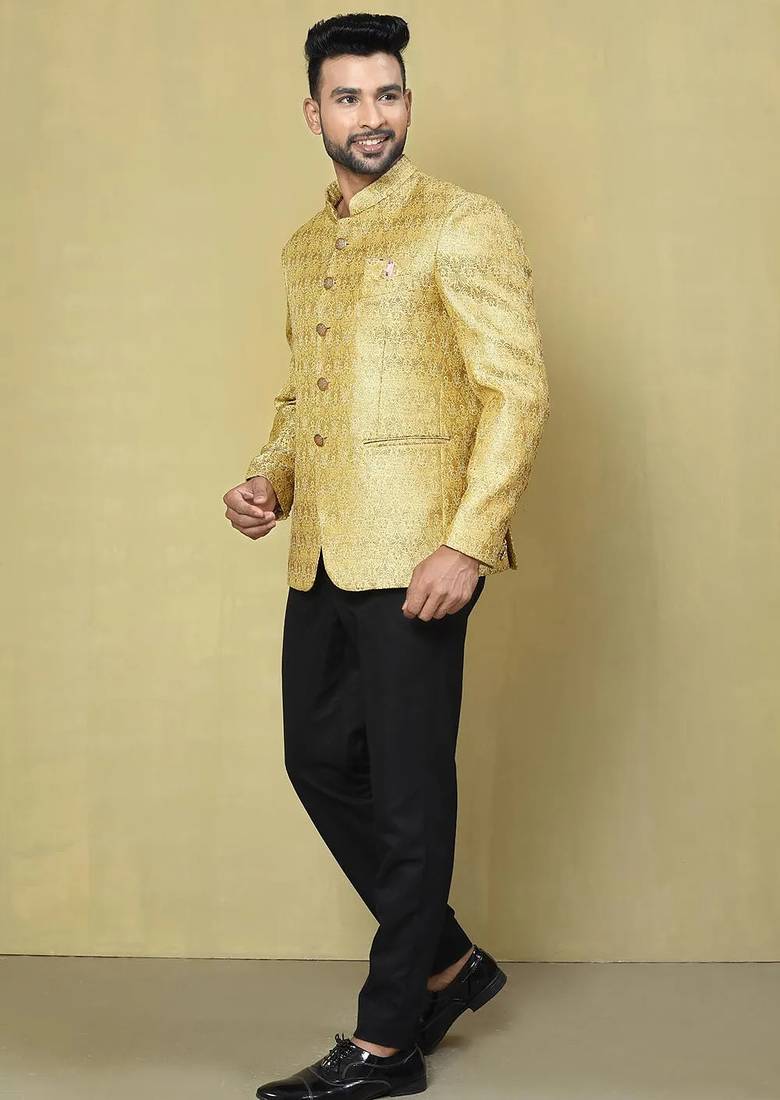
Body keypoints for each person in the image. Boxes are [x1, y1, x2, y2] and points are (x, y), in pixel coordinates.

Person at [222, 12, 550, 1098]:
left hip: (421, 557)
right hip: (324, 551)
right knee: (317, 762)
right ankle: (450, 961)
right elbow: (301, 397)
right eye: (350, 97)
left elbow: (516, 391)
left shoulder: (463, 221)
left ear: (408, 102)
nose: (373, 115)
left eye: (389, 93)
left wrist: (468, 542)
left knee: (410, 795)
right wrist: (271, 480)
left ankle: (387, 1040)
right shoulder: (303, 245)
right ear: (313, 112)